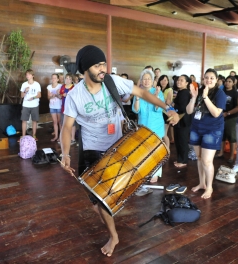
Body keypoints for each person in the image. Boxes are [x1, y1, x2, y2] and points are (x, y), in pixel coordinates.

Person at [60, 45, 179, 257]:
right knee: (97, 201)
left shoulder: (112, 81)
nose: (102, 68)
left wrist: (168, 108)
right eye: (97, 65)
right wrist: (66, 154)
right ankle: (108, 219)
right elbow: (67, 127)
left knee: (104, 201)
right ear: (84, 69)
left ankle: (113, 235)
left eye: (103, 63)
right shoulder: (74, 96)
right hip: (91, 150)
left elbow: (141, 92)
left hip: (118, 148)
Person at [187, 68, 226, 199]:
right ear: (203, 78)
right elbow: (189, 111)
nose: (208, 80)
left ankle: (209, 187)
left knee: (207, 161)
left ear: (216, 80)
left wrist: (205, 96)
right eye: (206, 77)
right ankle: (202, 183)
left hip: (212, 129)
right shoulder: (198, 91)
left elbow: (216, 113)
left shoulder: (220, 94)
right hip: (197, 127)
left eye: (211, 78)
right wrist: (193, 98)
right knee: (199, 158)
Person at [132, 69, 165, 183]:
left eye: (148, 79)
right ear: (141, 81)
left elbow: (158, 108)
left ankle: (155, 173)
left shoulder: (157, 92)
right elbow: (136, 110)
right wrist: (136, 97)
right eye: (144, 79)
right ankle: (145, 172)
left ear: (152, 81)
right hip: (143, 127)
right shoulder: (139, 92)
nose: (146, 81)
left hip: (156, 127)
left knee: (155, 152)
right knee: (144, 152)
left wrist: (156, 97)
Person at [216, 76, 238, 163]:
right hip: (221, 116)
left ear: (233, 83)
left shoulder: (235, 93)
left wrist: (228, 113)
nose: (227, 83)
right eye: (226, 81)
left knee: (231, 136)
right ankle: (221, 152)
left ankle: (231, 156)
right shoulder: (221, 92)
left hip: (231, 117)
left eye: (229, 81)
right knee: (222, 135)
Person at [173, 75, 192, 168]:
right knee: (178, 140)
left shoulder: (185, 92)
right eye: (178, 80)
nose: (178, 82)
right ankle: (180, 159)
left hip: (183, 120)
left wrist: (173, 106)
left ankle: (184, 160)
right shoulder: (180, 92)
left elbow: (182, 108)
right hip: (179, 119)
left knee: (182, 141)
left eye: (181, 80)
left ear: (186, 83)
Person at [19, 69, 41, 141]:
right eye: (26, 74)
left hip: (35, 105)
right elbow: (22, 96)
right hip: (26, 105)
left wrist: (33, 98)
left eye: (29, 74)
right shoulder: (24, 84)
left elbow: (39, 95)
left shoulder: (37, 84)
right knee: (24, 120)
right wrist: (25, 91)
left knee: (34, 121)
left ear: (32, 75)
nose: (27, 76)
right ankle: (23, 136)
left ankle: (34, 135)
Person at [157, 75, 173, 151]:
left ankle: (167, 150)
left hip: (165, 113)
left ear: (168, 82)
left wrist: (167, 101)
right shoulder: (158, 89)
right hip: (159, 113)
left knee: (164, 134)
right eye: (162, 80)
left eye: (165, 80)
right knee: (160, 133)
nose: (163, 82)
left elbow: (168, 101)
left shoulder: (169, 89)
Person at [59, 74, 76, 144]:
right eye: (66, 78)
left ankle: (73, 139)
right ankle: (65, 138)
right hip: (63, 107)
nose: (68, 80)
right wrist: (61, 95)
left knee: (72, 124)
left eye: (69, 79)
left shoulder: (74, 87)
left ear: (72, 80)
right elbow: (60, 95)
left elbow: (76, 97)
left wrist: (69, 95)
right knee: (63, 123)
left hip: (71, 108)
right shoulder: (63, 86)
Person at [47, 73, 62, 142]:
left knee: (59, 122)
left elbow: (61, 97)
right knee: (55, 122)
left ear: (58, 79)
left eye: (55, 78)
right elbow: (48, 97)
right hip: (52, 106)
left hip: (59, 106)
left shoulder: (61, 86)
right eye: (52, 78)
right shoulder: (49, 87)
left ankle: (61, 137)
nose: (53, 79)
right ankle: (56, 136)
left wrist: (57, 95)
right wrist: (51, 96)